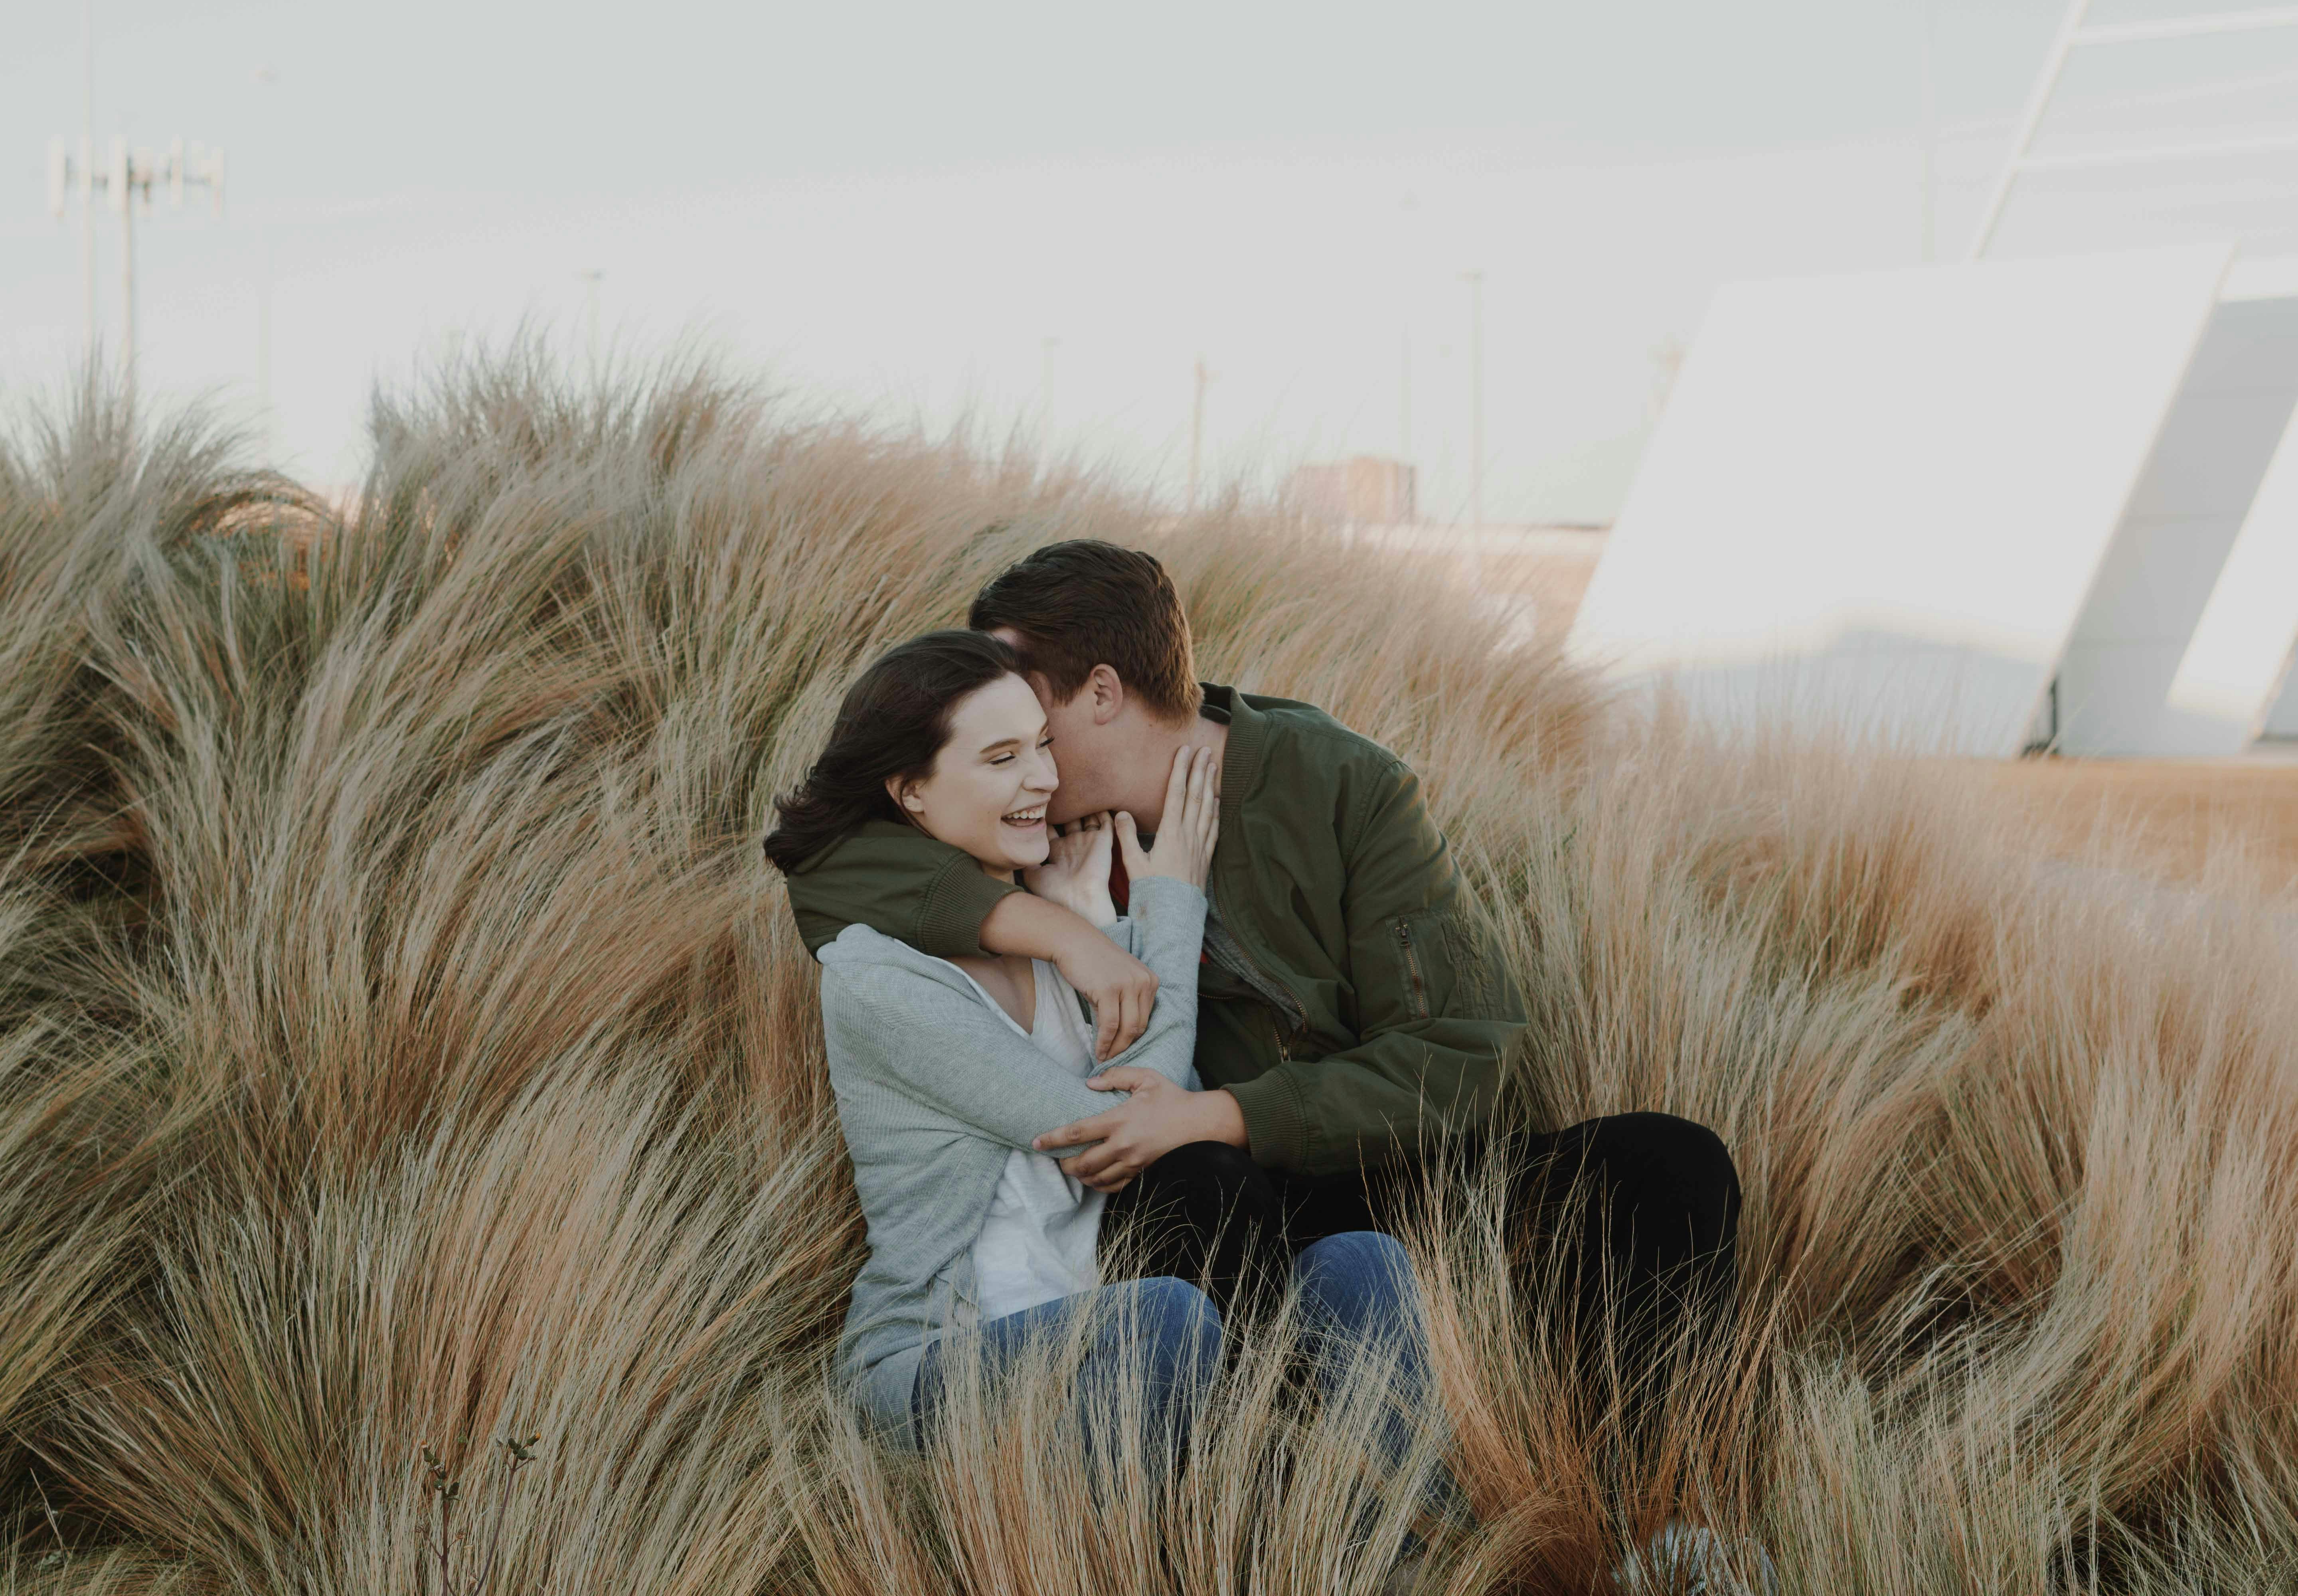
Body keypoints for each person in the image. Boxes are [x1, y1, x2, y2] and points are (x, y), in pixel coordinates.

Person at [778, 542, 1743, 1414]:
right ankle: (1273, 1479)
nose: (1024, 746)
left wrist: (1224, 1110)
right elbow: (825, 867)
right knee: (1199, 1181)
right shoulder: (1027, 832)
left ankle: (1635, 1501)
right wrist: (1060, 929)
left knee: (1670, 1163)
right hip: (1180, 1207)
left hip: (1359, 1172)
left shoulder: (1339, 783)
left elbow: (1462, 1053)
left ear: (1103, 692)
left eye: (1035, 716)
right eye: (1003, 739)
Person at [763, 630, 1430, 1462]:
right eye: (1001, 757)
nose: (1043, 778)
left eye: (1042, 745)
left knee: (1362, 1262)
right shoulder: (874, 977)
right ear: (914, 794)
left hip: (1103, 1325)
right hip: (940, 1359)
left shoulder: (1055, 946)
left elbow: (1163, 1088)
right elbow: (1115, 1130)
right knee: (1167, 1317)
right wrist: (1168, 894)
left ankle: (1415, 1547)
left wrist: (1090, 922)